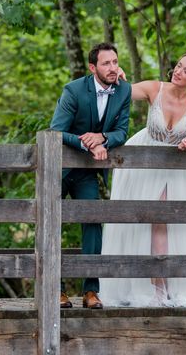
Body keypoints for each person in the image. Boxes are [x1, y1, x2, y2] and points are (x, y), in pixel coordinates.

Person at [99, 52, 186, 307]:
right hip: (143, 164)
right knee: (146, 221)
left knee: (167, 221)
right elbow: (125, 91)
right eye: (178, 66)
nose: (178, 72)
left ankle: (167, 285)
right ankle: (150, 287)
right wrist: (118, 77)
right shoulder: (156, 88)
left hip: (176, 164)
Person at [50, 42, 132, 309]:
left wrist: (103, 138)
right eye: (106, 63)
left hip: (87, 171)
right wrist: (87, 143)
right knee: (53, 224)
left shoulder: (123, 91)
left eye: (115, 62)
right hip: (59, 169)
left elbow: (122, 131)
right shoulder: (73, 90)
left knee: (93, 222)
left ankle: (90, 291)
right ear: (92, 67)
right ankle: (56, 291)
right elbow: (56, 132)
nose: (112, 68)